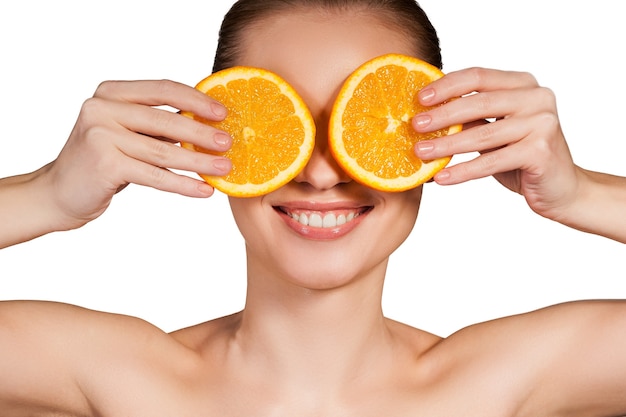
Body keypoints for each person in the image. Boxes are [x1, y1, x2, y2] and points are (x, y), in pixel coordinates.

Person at [1, 0, 625, 416]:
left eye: (358, 129)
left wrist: (580, 194)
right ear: (211, 137)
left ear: (434, 143)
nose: (322, 172)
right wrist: (47, 195)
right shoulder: (117, 378)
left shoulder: (505, 382)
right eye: (284, 125)